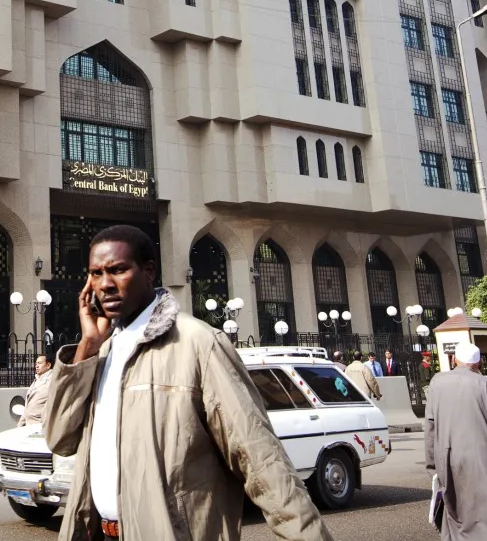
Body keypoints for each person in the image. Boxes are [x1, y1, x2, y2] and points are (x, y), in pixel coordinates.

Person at [46, 225, 332, 541]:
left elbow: (258, 456)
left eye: (118, 270)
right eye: (96, 274)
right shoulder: (102, 350)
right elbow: (60, 438)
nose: (105, 284)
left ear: (149, 271)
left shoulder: (198, 344)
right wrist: (87, 346)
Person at [424, 341, 487, 541]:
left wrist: (433, 467)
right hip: (483, 461)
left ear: (454, 360)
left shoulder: (437, 383)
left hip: (448, 461)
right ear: (478, 364)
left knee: (455, 520)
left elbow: (430, 429)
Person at [18, 355, 52, 426]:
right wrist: (21, 423)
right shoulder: (36, 380)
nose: (36, 366)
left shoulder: (52, 380)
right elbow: (29, 406)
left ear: (48, 365)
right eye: (36, 363)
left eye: (39, 363)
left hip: (41, 424)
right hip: (29, 424)